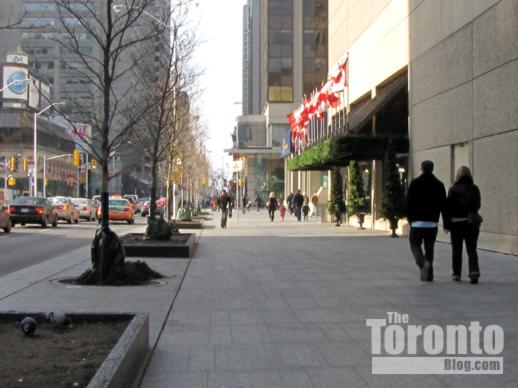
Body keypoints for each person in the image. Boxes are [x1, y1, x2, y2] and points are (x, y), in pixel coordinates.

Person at [406, 160, 447, 282]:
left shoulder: (415, 183)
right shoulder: (439, 185)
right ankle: (429, 275)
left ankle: (422, 262)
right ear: (432, 169)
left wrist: (410, 219)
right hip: (432, 222)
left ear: (421, 169)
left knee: (414, 244)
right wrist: (445, 223)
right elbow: (443, 205)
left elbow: (409, 203)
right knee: (430, 248)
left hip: (417, 222)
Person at [444, 166, 482, 284]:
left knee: (457, 249)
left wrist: (447, 224)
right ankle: (474, 272)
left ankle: (456, 274)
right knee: (472, 249)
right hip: (471, 223)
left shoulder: (453, 189)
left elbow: (448, 208)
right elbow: (477, 205)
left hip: (456, 223)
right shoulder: (475, 189)